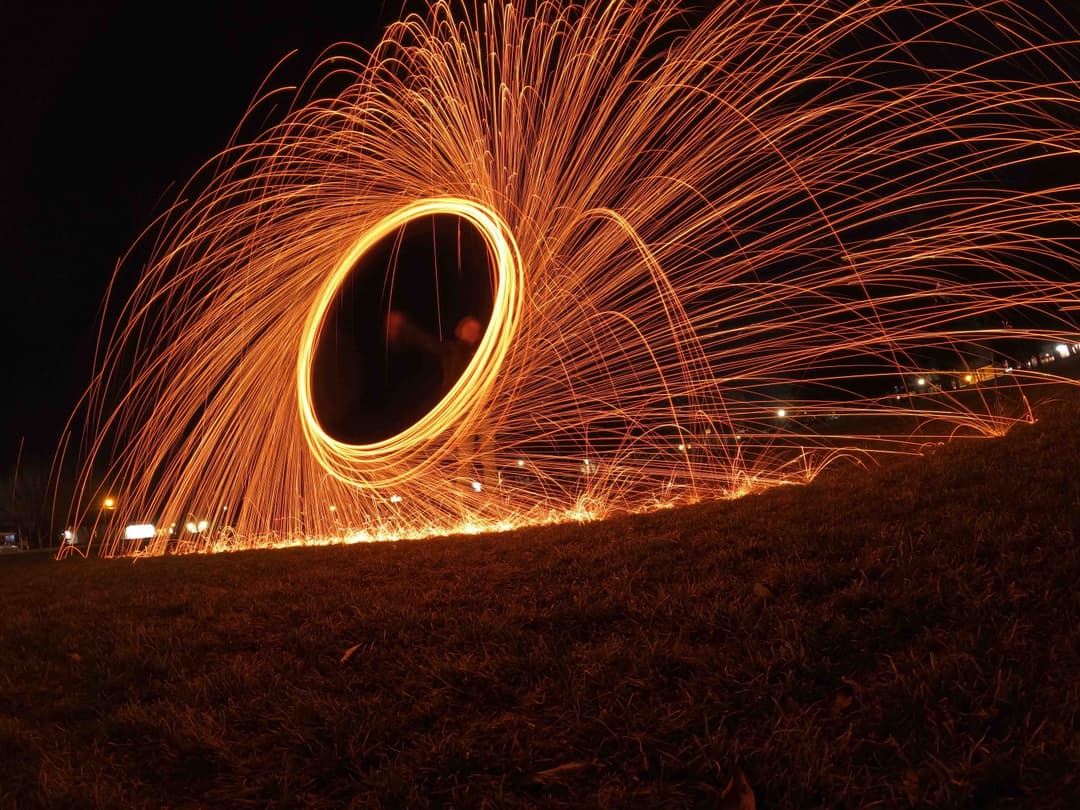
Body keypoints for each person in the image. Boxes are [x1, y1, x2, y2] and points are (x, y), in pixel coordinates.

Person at [386, 310, 494, 493]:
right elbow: (426, 342)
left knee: (488, 456)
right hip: (461, 413)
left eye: (476, 329)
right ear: (459, 332)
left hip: (482, 410)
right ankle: (464, 500)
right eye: (468, 328)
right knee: (464, 457)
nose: (473, 332)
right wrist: (404, 327)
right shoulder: (451, 350)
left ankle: (492, 496)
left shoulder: (483, 354)